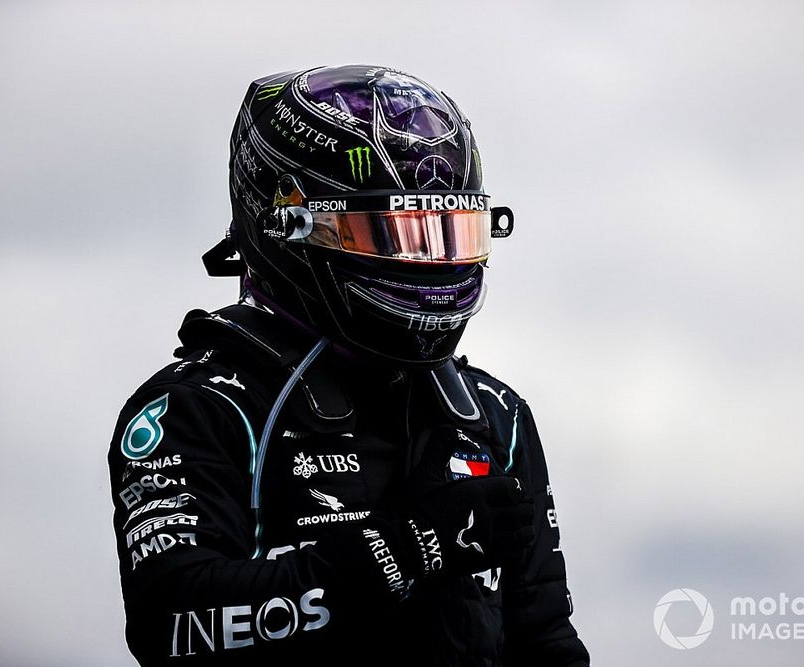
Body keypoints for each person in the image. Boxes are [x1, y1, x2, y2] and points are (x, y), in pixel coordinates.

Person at [108, 64, 589, 666]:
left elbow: (545, 644)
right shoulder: (198, 410)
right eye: (391, 236)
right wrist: (409, 547)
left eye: (444, 235)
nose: (426, 266)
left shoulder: (494, 416)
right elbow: (172, 624)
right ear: (287, 228)